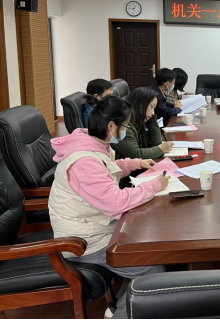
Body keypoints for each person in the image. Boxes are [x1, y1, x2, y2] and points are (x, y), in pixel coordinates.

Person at [48, 96, 171, 319]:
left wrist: (134, 163)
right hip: (82, 242)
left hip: (98, 227)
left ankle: (118, 307)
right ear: (111, 126)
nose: (124, 131)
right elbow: (116, 202)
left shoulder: (92, 143)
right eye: (124, 127)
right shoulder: (83, 162)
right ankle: (121, 313)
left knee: (150, 243)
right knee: (152, 269)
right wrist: (153, 185)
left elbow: (106, 171)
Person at [111, 87, 174, 160]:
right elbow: (136, 154)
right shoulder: (124, 126)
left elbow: (156, 143)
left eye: (154, 108)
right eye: (151, 107)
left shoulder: (140, 121)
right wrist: (160, 150)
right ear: (141, 105)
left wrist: (152, 118)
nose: (153, 112)